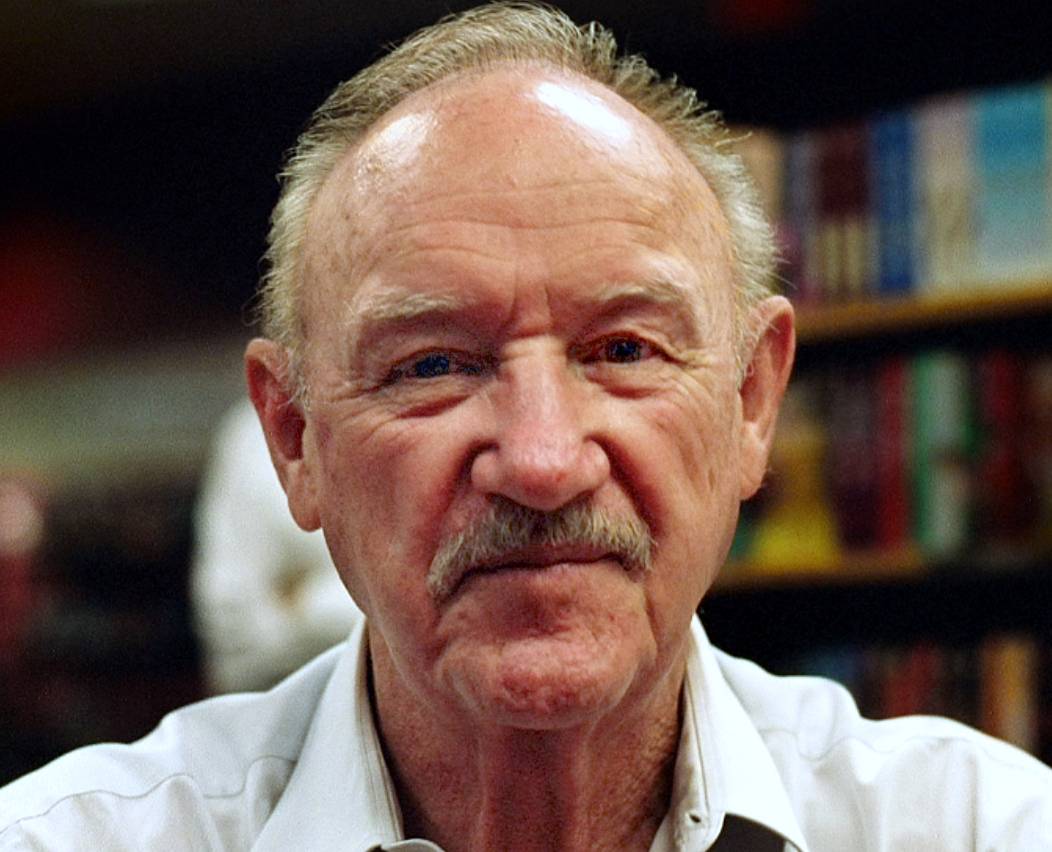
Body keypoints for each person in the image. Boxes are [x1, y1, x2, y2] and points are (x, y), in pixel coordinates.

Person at [2, 4, 1050, 849]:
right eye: (433, 366)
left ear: (748, 403)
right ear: (293, 438)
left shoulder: (978, 828)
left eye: (624, 350)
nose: (542, 462)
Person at [191, 396, 360, 693]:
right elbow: (231, 622)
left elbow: (426, 608)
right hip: (279, 703)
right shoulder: (251, 433)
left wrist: (304, 599)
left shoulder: (416, 418)